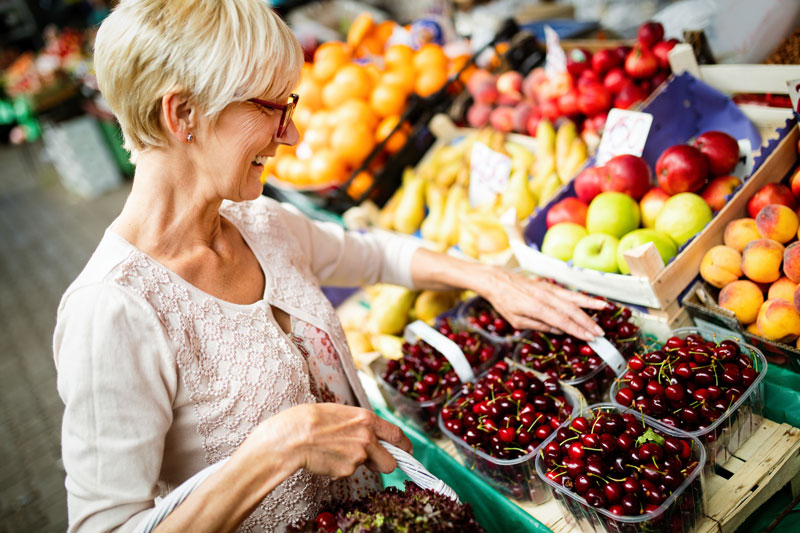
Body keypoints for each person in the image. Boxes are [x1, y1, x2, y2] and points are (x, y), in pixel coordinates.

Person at [53, 1, 606, 531]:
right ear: (183, 114)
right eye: (271, 108)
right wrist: (276, 451)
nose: (291, 134)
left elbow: (378, 254)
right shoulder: (112, 310)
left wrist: (491, 279)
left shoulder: (259, 222)